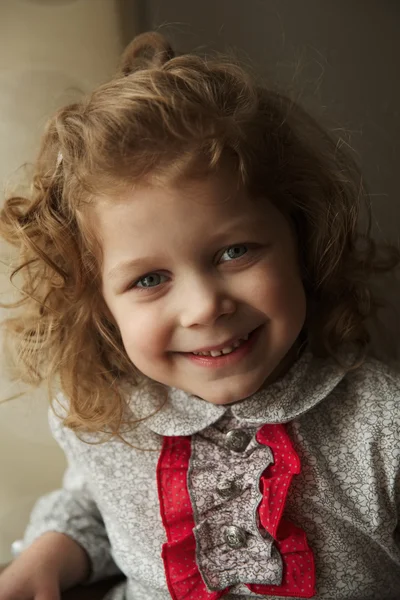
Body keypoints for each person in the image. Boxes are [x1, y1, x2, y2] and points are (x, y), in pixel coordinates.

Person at [0, 30, 399, 600]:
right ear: (101, 309)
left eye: (234, 252)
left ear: (301, 240)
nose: (205, 305)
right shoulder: (105, 415)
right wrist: (46, 556)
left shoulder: (382, 427)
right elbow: (94, 499)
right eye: (149, 279)